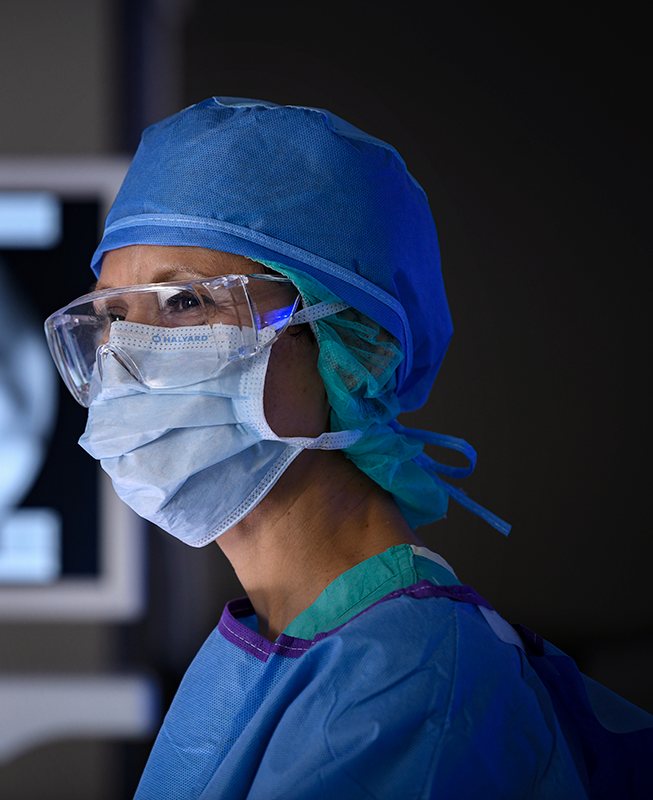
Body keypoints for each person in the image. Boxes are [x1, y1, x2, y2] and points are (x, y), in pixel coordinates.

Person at [43, 98, 653, 798]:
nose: (126, 357)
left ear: (348, 347)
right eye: (113, 314)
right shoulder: (273, 639)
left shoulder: (407, 682)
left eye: (186, 303)